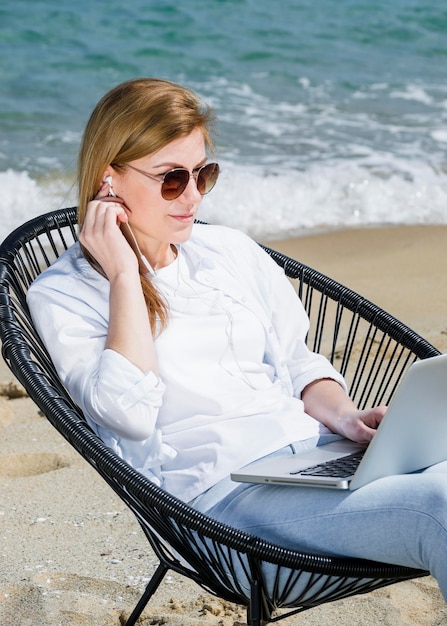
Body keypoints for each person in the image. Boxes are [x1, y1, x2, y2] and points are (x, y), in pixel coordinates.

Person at [27, 77, 447, 599]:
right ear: (108, 179)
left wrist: (345, 417)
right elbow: (127, 414)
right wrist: (123, 277)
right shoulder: (66, 293)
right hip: (224, 510)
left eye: (204, 174)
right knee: (441, 504)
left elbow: (297, 361)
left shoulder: (228, 251)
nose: (194, 196)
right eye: (172, 179)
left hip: (316, 461)